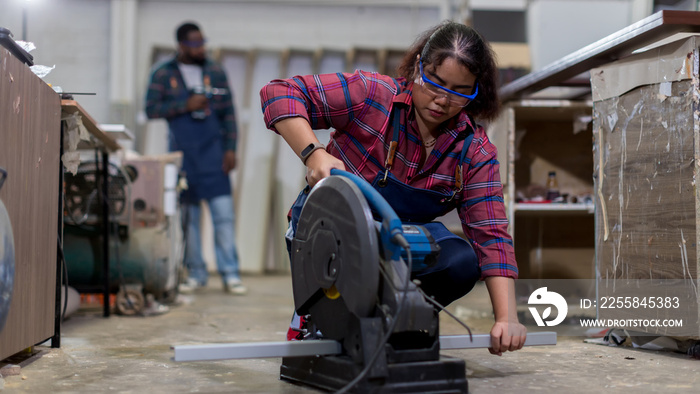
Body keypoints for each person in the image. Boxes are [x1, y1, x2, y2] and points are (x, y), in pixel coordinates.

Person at [261, 21, 526, 354]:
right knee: (334, 322)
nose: (442, 100)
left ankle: (399, 322)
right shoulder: (372, 96)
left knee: (461, 261)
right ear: (418, 68)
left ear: (476, 90)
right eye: (435, 82)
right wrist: (314, 154)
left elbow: (491, 236)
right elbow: (279, 92)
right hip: (333, 232)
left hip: (400, 242)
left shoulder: (474, 151)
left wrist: (507, 318)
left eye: (460, 91)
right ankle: (317, 318)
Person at [146, 22, 246, 295]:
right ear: (181, 45)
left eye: (203, 42)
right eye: (195, 44)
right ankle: (196, 273)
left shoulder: (215, 71)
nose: (201, 48)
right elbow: (150, 109)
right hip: (184, 155)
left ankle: (230, 274)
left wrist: (230, 148)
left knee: (223, 216)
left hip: (214, 154)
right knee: (188, 220)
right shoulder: (163, 74)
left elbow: (228, 113)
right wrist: (184, 106)